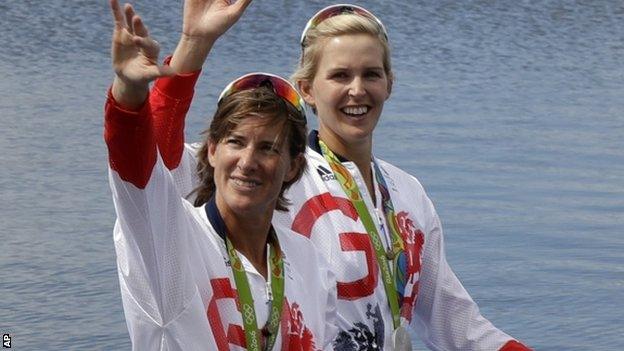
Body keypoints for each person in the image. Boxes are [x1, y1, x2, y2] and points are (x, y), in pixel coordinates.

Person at [147, 2, 532, 350]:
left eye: (371, 74)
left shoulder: (408, 192)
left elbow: (455, 323)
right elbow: (158, 160)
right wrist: (193, 45)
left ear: (390, 84)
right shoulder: (275, 175)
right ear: (307, 90)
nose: (357, 90)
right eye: (340, 75)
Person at [104, 0, 342, 349]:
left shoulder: (310, 261)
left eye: (267, 148)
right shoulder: (170, 241)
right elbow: (137, 166)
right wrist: (129, 92)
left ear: (293, 165)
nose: (247, 161)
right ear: (212, 150)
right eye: (236, 142)